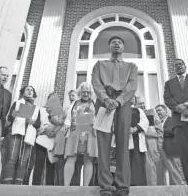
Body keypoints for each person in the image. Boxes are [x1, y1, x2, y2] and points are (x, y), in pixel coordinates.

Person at [91, 36, 138, 196]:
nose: (116, 44)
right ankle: (105, 186)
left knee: (123, 143)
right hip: (103, 103)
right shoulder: (99, 65)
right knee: (103, 145)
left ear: (123, 47)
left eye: (119, 42)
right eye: (113, 42)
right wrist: (105, 98)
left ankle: (123, 185)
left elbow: (132, 86)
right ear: (109, 47)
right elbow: (96, 84)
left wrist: (118, 101)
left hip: (123, 104)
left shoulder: (131, 66)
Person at [2, 86, 41, 184]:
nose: (30, 91)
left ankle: (18, 183)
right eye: (27, 89)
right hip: (17, 133)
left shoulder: (36, 108)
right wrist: (13, 115)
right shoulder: (17, 103)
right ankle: (8, 181)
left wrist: (33, 121)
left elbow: (38, 124)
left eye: (32, 90)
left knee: (23, 161)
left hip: (29, 135)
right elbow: (9, 118)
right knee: (12, 158)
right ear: (23, 92)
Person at [63, 82, 98, 186]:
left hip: (90, 133)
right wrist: (67, 124)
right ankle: (66, 187)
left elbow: (98, 118)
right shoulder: (74, 103)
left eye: (88, 92)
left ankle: (86, 187)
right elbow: (68, 118)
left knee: (88, 159)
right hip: (75, 131)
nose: (86, 94)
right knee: (71, 157)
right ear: (80, 92)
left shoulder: (95, 102)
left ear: (91, 93)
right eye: (83, 92)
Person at [32, 92, 65, 185]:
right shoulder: (41, 110)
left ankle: (49, 187)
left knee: (51, 164)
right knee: (39, 162)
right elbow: (36, 123)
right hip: (42, 138)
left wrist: (54, 132)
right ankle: (35, 186)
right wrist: (45, 130)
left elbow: (62, 124)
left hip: (53, 140)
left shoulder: (61, 112)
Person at [135, 96, 162, 186]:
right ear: (135, 104)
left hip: (150, 141)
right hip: (138, 141)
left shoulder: (151, 112)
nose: (142, 105)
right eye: (140, 103)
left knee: (151, 165)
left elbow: (159, 129)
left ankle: (152, 187)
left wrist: (159, 143)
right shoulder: (134, 113)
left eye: (143, 103)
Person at [155, 104, 183, 185]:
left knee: (174, 173)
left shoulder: (172, 120)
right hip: (159, 152)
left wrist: (160, 132)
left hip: (171, 150)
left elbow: (175, 132)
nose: (157, 112)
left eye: (159, 110)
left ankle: (176, 191)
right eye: (156, 111)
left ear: (165, 111)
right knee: (159, 174)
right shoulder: (156, 122)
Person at [127, 96, 149, 186]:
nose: (131, 98)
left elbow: (145, 122)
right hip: (124, 139)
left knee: (137, 161)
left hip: (136, 140)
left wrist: (135, 129)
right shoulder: (119, 110)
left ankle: (138, 183)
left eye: (133, 97)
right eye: (130, 96)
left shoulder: (139, 111)